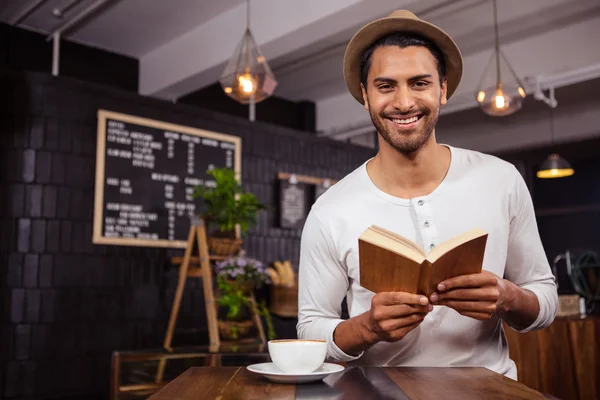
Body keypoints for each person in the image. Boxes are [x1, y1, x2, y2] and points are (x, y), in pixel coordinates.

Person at [296, 10, 558, 379]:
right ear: (365, 96)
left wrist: (507, 297)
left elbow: (544, 299)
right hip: (383, 392)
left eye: (419, 83)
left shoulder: (501, 180)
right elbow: (310, 330)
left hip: (492, 391)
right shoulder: (330, 209)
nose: (404, 103)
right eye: (386, 86)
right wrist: (367, 327)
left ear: (443, 89)